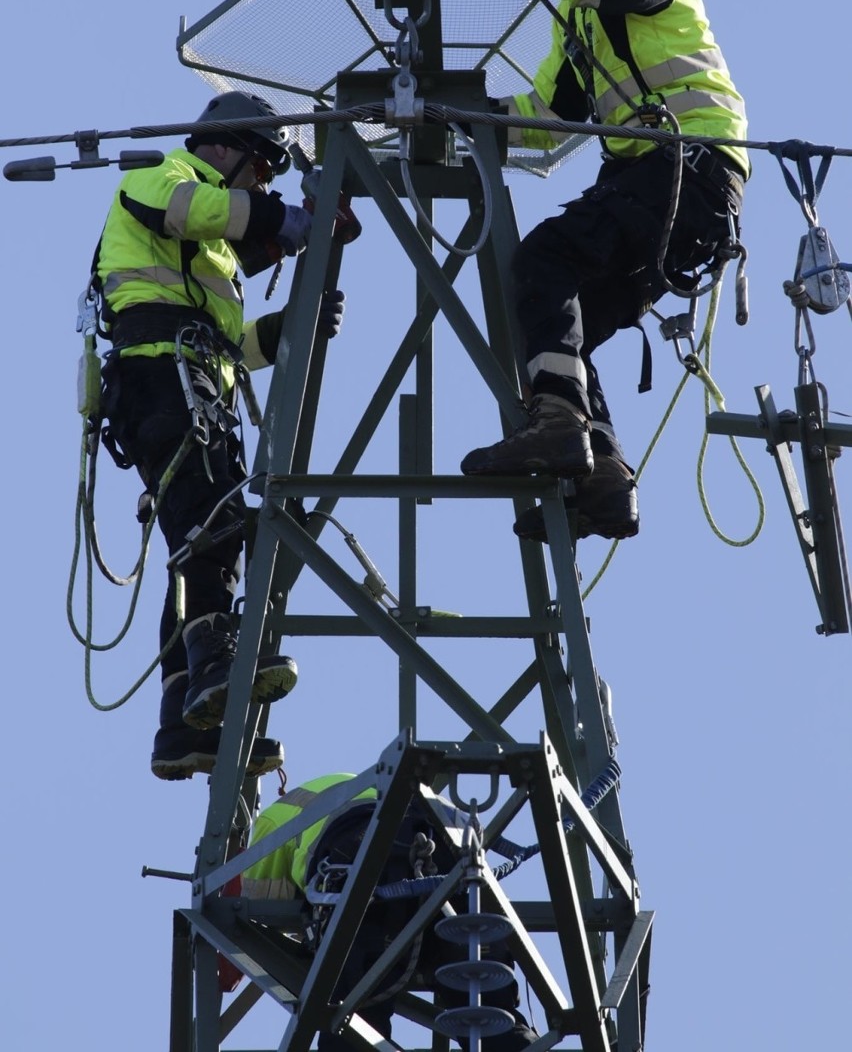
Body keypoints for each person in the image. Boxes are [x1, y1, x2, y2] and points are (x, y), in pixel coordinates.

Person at [440, 0, 749, 542]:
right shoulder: (577, 22)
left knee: (544, 262)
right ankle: (603, 475)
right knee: (568, 323)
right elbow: (549, 116)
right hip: (653, 183)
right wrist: (472, 114)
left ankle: (558, 429)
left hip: (688, 169)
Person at [95, 91, 346, 781]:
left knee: (199, 537)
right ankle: (213, 665)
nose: (263, 187)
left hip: (190, 381)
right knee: (215, 520)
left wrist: (296, 324)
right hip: (158, 378)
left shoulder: (210, 261)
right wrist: (285, 218)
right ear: (226, 151)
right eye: (262, 172)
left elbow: (233, 349)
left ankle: (183, 726)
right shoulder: (159, 178)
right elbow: (192, 212)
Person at [242, 773, 538, 1052]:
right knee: (486, 1007)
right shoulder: (371, 788)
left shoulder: (273, 819)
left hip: (370, 868)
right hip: (454, 862)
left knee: (355, 1021)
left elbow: (261, 909)